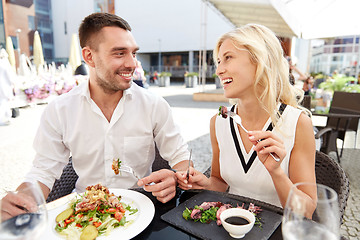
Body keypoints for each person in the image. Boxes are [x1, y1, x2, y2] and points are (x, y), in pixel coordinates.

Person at [1, 12, 191, 221]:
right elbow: (43, 172)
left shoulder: (154, 105)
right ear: (89, 56)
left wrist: (176, 177)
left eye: (133, 53)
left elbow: (183, 161)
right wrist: (21, 199)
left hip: (142, 211)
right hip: (85, 213)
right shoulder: (60, 110)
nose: (132, 63)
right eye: (119, 53)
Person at [176, 24, 316, 210]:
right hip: (229, 225)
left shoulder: (298, 123)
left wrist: (277, 173)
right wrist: (205, 183)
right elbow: (219, 181)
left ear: (260, 61)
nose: (218, 71)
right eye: (218, 62)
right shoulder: (218, 122)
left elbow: (307, 211)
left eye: (228, 58)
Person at [0, 48, 15, 126]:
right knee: (4, 103)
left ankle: (8, 117)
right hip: (5, 86)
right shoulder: (5, 64)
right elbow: (9, 76)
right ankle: (6, 117)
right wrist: (13, 83)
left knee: (4, 103)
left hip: (2, 87)